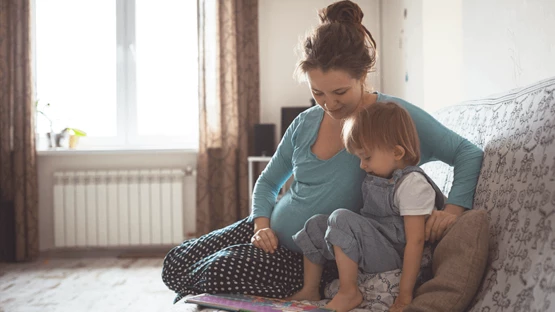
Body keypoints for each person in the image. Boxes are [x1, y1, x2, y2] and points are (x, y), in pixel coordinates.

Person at [162, 0, 483, 303]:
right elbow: (268, 182)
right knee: (176, 262)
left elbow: (466, 153)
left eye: (340, 92)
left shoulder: (389, 118)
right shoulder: (305, 122)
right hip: (268, 232)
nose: (329, 104)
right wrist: (261, 225)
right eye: (318, 93)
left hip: (312, 256)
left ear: (362, 76)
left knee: (218, 272)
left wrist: (452, 211)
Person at [288, 102, 445, 312]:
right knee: (316, 223)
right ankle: (310, 288)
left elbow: (415, 241)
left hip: (394, 257)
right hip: (375, 244)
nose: (362, 165)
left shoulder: (412, 184)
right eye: (360, 157)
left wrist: (405, 296)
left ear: (397, 152)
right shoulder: (378, 175)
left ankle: (348, 292)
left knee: (340, 218)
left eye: (367, 157)